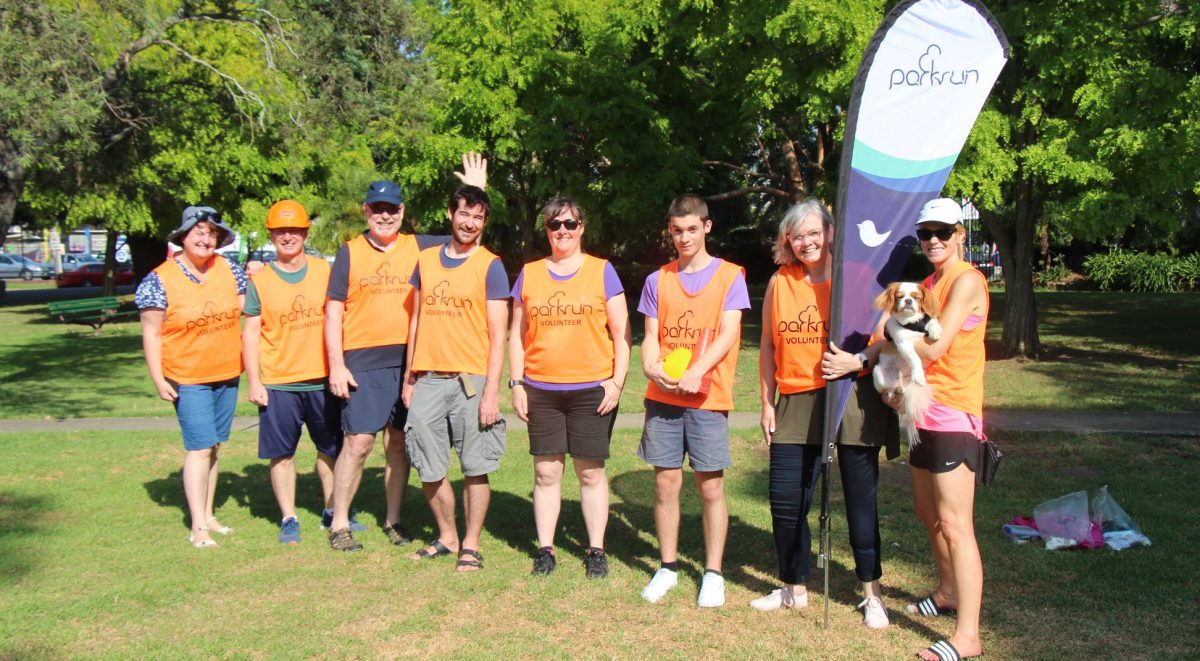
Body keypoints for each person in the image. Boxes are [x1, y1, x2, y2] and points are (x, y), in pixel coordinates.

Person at [324, 153, 487, 552]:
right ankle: (340, 522)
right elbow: (332, 311)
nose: (385, 216)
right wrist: (336, 365)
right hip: (363, 360)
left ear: (402, 211)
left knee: (399, 444)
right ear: (366, 211)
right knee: (359, 442)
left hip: (412, 361)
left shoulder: (421, 246)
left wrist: (477, 189)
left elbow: (469, 237)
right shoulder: (349, 252)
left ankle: (393, 520)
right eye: (377, 209)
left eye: (392, 209)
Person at [756, 200, 899, 628]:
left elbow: (886, 335)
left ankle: (871, 593)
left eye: (813, 233)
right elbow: (766, 344)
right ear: (788, 242)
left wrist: (857, 362)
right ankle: (793, 586)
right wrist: (766, 401)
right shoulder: (781, 281)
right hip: (796, 398)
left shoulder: (857, 277)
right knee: (786, 499)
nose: (806, 242)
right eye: (796, 236)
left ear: (831, 232)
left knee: (860, 499)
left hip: (850, 395)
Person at [636, 194, 750, 608]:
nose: (684, 237)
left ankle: (713, 572)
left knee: (710, 486)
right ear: (670, 231)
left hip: (707, 397)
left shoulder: (730, 276)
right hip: (664, 398)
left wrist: (698, 370)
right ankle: (667, 566)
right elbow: (650, 339)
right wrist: (651, 367)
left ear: (707, 226)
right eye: (676, 230)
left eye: (691, 229)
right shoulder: (657, 280)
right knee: (666, 483)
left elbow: (728, 333)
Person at [508, 198, 631, 579]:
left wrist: (616, 382)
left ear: (582, 228)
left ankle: (596, 550)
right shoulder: (529, 274)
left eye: (570, 224)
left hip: (590, 389)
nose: (562, 231)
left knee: (590, 473)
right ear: (546, 229)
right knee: (546, 473)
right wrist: (516, 383)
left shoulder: (602, 271)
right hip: (541, 388)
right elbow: (517, 335)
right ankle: (545, 549)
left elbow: (622, 335)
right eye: (554, 224)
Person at [402, 184, 509, 572]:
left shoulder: (490, 265)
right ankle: (447, 536)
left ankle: (471, 544)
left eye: (478, 217)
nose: (470, 223)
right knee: (427, 464)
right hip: (428, 377)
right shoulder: (426, 261)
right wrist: (409, 376)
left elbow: (499, 335)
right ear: (450, 214)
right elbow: (415, 320)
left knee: (475, 466)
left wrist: (491, 394)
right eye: (464, 214)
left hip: (472, 380)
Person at [136, 206, 246, 548]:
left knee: (213, 447)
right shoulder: (159, 279)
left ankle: (209, 514)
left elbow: (248, 309)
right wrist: (159, 379)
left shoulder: (230, 269)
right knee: (199, 448)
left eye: (212, 233)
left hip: (226, 372)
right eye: (198, 232)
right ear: (183, 237)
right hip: (188, 375)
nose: (206, 239)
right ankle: (198, 526)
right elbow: (151, 333)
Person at [242, 200, 342, 545]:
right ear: (271, 234)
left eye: (294, 230)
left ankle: (333, 511)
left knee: (330, 449)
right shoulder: (260, 280)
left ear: (305, 232)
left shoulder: (324, 271)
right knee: (281, 454)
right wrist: (254, 381)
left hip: (322, 378)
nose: (288, 236)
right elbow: (251, 334)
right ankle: (289, 517)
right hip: (279, 381)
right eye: (281, 231)